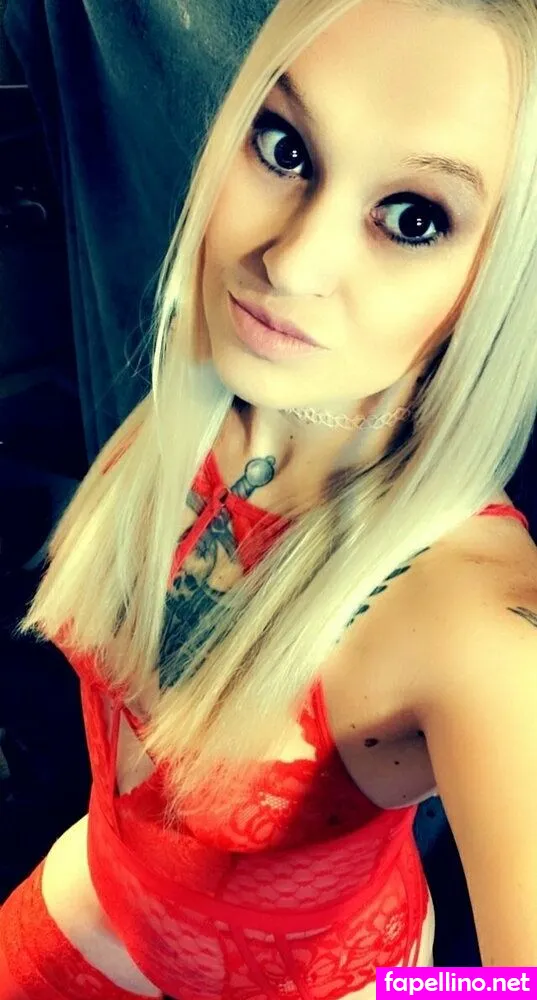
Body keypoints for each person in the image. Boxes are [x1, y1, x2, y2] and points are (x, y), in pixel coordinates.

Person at [1, 0, 537, 996]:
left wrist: (393, 996)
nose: (290, 263)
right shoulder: (211, 397)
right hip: (96, 900)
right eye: (285, 147)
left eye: (412, 218)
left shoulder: (478, 625)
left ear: (499, 283)